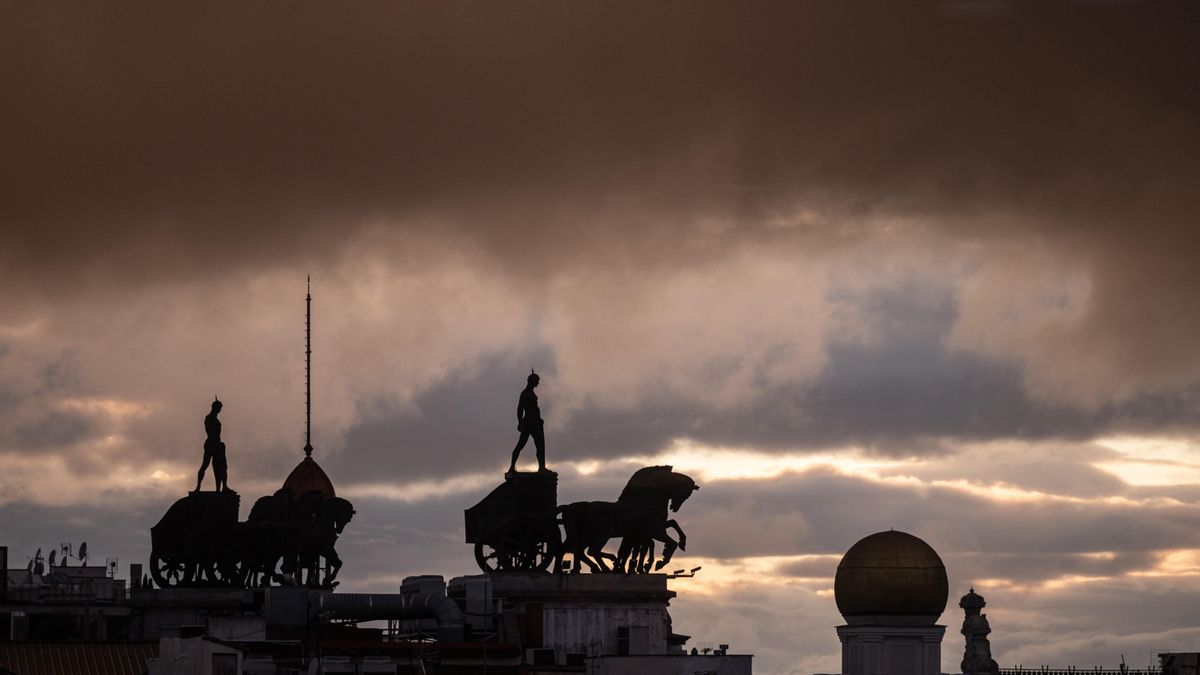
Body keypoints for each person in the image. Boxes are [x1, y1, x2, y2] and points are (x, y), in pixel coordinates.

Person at [509, 372, 546, 472]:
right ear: (532, 381)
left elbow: (535, 409)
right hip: (530, 421)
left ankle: (541, 467)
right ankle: (541, 467)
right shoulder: (525, 393)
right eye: (537, 381)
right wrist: (520, 421)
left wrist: (539, 419)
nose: (538, 384)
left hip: (534, 421)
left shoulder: (532, 393)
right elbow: (520, 408)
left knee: (528, 444)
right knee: (535, 443)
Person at [195, 398, 231, 492]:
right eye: (219, 408)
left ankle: (223, 487)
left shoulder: (215, 419)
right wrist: (214, 445)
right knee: (205, 465)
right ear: (215, 407)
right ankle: (198, 486)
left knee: (221, 466)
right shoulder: (209, 418)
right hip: (211, 443)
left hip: (217, 444)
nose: (220, 410)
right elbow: (210, 433)